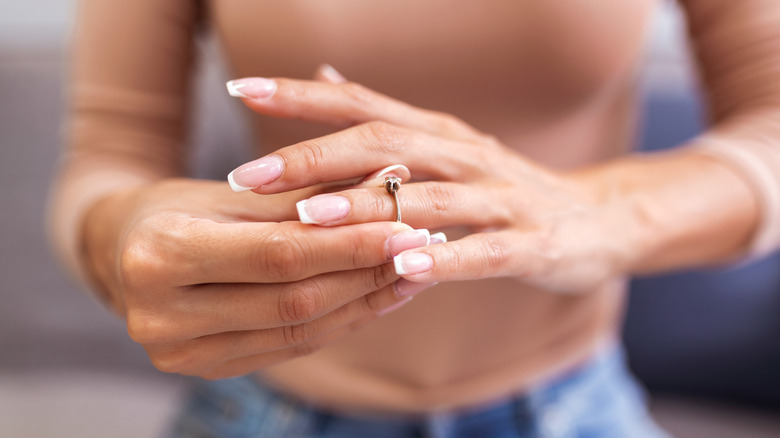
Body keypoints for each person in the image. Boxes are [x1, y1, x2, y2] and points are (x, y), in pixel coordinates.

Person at [49, 0, 780, 436]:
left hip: (571, 404)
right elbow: (110, 155)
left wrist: (602, 212)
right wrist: (123, 235)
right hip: (263, 411)